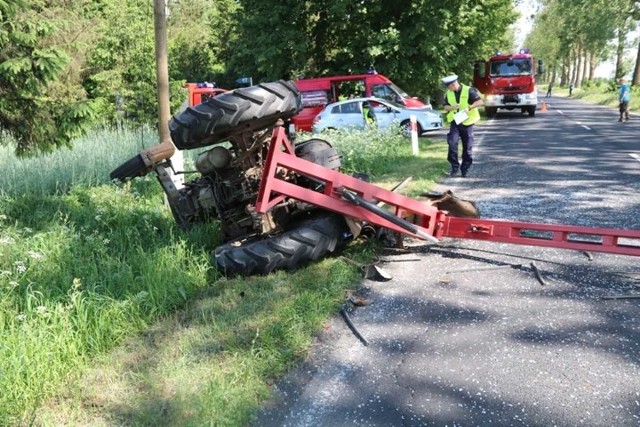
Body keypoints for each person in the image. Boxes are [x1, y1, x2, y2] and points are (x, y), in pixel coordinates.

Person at [442, 74, 483, 178]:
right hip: (455, 121)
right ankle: (454, 167)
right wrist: (452, 107)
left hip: (467, 122)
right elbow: (445, 107)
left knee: (467, 147)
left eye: (450, 86)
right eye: (447, 87)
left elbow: (480, 102)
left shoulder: (469, 90)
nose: (449, 88)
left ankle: (465, 169)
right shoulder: (448, 93)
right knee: (452, 143)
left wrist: (469, 107)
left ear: (454, 84)